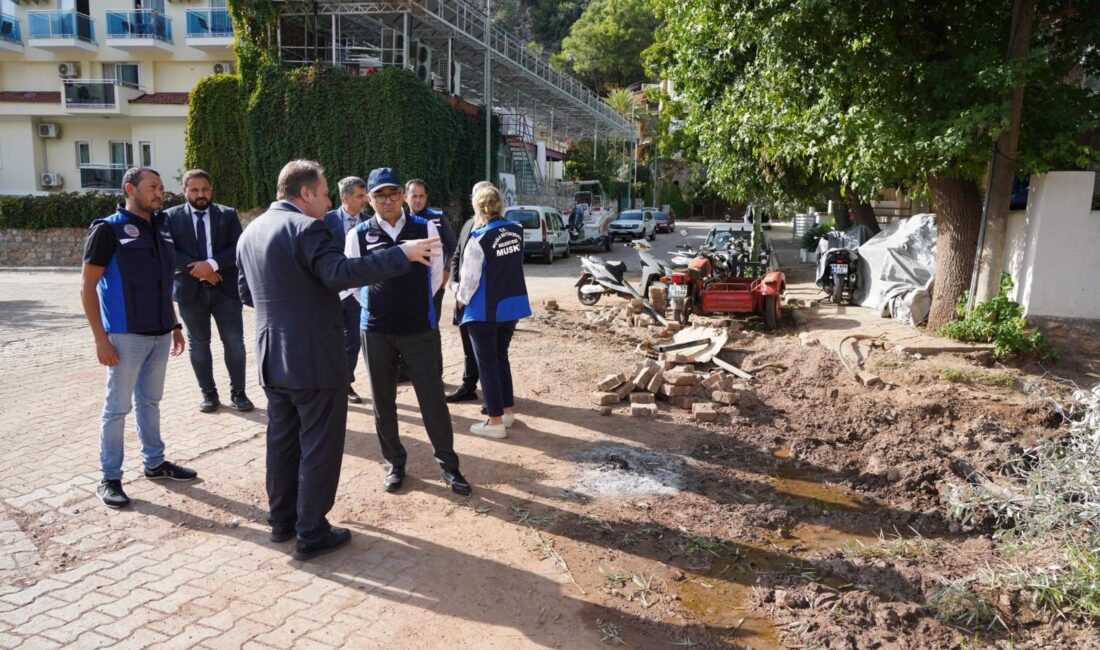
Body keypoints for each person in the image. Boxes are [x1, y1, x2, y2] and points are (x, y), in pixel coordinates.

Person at [235, 160, 441, 561]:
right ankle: (311, 532)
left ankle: (282, 522)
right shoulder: (308, 228)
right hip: (312, 357)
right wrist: (402, 254)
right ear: (306, 194)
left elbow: (246, 294)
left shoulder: (251, 231)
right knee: (319, 445)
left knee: (281, 440)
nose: (331, 199)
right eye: (327, 191)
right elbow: (340, 273)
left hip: (271, 356)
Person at [345, 168, 470, 497]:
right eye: (379, 195)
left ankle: (448, 463)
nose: (387, 200)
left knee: (432, 398)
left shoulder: (424, 226)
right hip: (376, 330)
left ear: (403, 195)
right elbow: (354, 280)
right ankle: (395, 462)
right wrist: (377, 305)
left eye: (393, 193)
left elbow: (436, 274)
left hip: (418, 328)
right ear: (368, 199)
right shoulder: (358, 234)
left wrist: (414, 304)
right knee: (383, 401)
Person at [80, 167, 197, 509]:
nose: (159, 193)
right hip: (124, 335)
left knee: (150, 402)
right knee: (117, 408)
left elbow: (163, 284)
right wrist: (100, 339)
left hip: (160, 332)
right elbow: (87, 287)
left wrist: (174, 324)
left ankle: (155, 463)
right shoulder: (107, 230)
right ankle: (109, 477)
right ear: (130, 188)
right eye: (152, 187)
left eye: (161, 187)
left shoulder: (162, 227)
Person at [165, 169, 253, 414]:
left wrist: (211, 265)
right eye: (194, 190)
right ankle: (209, 394)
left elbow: (237, 246)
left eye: (204, 189)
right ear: (185, 190)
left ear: (211, 189)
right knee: (199, 344)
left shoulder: (227, 215)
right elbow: (168, 251)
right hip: (190, 293)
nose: (200, 194)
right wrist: (200, 270)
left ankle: (239, 392)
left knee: (234, 342)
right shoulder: (170, 217)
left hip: (225, 289)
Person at [456, 183, 532, 439]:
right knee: (501, 358)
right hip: (511, 306)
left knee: (487, 363)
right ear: (501, 204)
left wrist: (460, 299)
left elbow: (469, 280)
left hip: (485, 309)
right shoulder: (517, 231)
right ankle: (507, 411)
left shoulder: (479, 238)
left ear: (477, 208)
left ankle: (495, 421)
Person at [445, 180, 495, 405]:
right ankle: (468, 385)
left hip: (485, 300)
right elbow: (457, 254)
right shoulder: (468, 225)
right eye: (477, 193)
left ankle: (492, 396)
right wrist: (454, 284)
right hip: (463, 296)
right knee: (468, 345)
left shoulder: (498, 228)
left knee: (488, 352)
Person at [323, 176, 370, 404]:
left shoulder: (370, 222)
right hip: (330, 292)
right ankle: (327, 381)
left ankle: (345, 383)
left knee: (353, 339)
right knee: (327, 338)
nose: (365, 200)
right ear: (345, 197)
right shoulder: (325, 220)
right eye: (360, 196)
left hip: (357, 292)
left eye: (365, 195)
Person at [405, 179, 457, 376]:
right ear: (406, 197)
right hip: (406, 285)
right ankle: (407, 371)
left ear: (426, 197)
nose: (417, 200)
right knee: (406, 327)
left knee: (430, 327)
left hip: (432, 284)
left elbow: (452, 247)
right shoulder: (399, 220)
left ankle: (436, 373)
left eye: (421, 196)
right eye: (414, 196)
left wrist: (445, 273)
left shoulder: (437, 219)